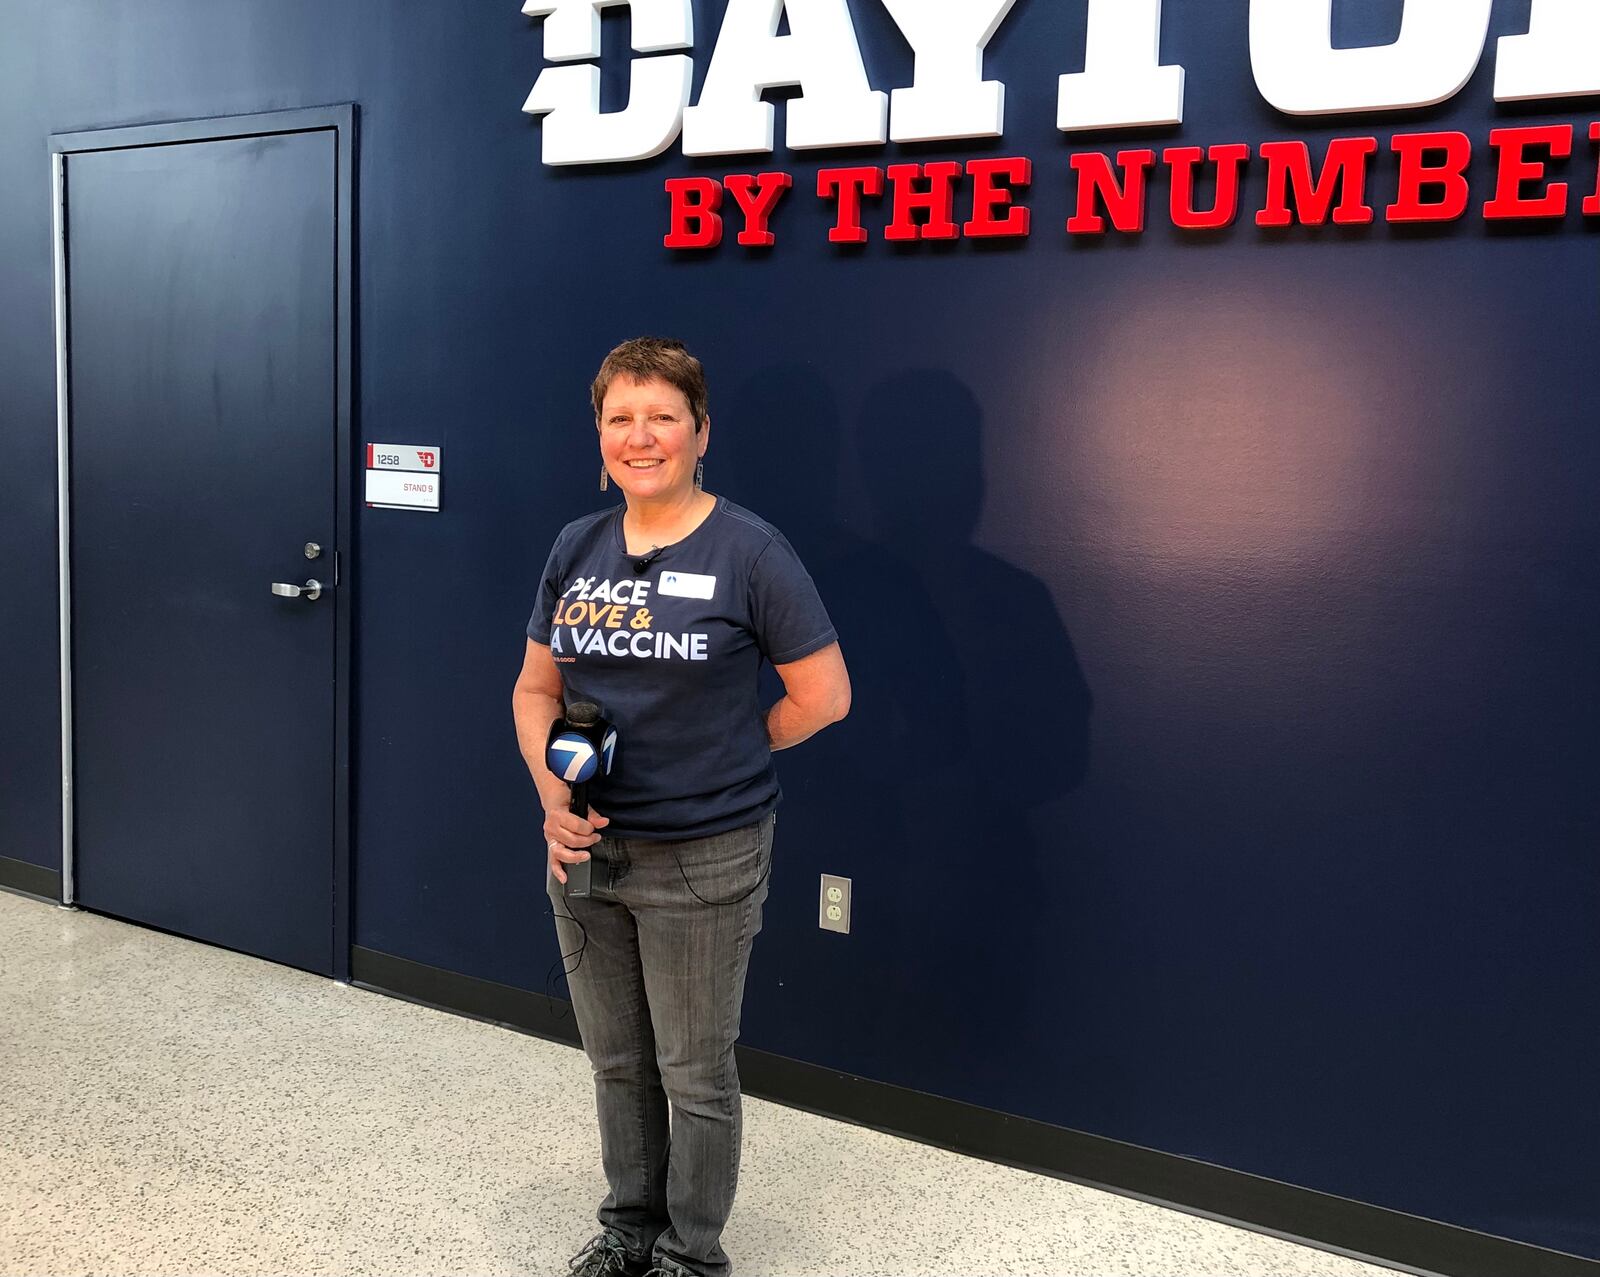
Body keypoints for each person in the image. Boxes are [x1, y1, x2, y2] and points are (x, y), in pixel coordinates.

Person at [511, 337, 851, 1277]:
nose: (640, 435)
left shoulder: (751, 550)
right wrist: (551, 793)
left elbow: (824, 694)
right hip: (586, 851)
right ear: (600, 437)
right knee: (617, 1061)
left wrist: (744, 745)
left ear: (701, 432)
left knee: (694, 1072)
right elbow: (534, 691)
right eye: (620, 418)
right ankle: (628, 1227)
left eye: (662, 415)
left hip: (705, 855)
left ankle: (690, 1254)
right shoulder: (576, 546)